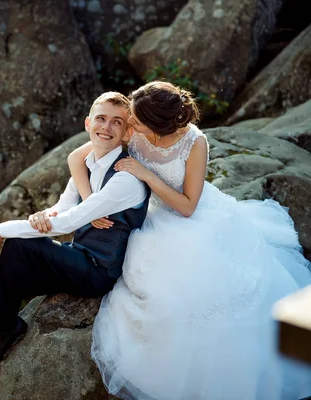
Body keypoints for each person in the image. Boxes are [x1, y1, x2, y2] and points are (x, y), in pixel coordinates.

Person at [65, 81, 311, 400]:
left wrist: (146, 174)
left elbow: (187, 206)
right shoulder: (132, 129)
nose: (127, 124)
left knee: (210, 280)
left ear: (156, 124)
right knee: (147, 281)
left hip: (190, 215)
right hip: (151, 216)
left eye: (135, 120)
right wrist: (88, 203)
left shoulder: (195, 142)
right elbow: (75, 158)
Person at [0, 91, 151, 400]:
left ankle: (4, 328)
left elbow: (70, 223)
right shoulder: (88, 162)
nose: (107, 127)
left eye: (116, 122)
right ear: (87, 123)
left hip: (98, 271)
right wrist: (45, 215)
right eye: (101, 118)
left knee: (19, 243)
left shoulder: (125, 179)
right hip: (76, 258)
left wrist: (4, 228)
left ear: (126, 132)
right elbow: (63, 208)